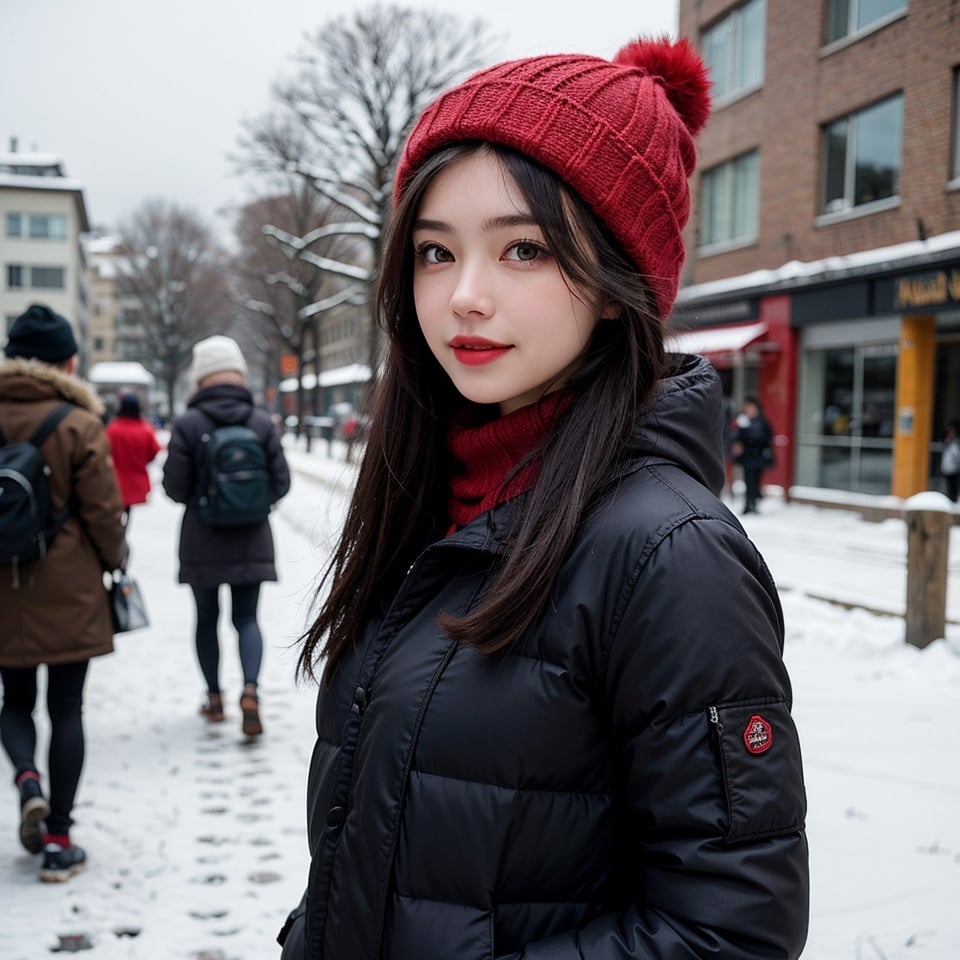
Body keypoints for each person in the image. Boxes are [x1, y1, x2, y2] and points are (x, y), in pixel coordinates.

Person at [278, 36, 809, 960]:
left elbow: (732, 930)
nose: (464, 298)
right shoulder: (430, 499)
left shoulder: (670, 554)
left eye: (523, 248)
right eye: (435, 253)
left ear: (616, 284)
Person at [0, 304, 127, 882]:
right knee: (67, 707)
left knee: (15, 700)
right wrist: (115, 563)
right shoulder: (78, 423)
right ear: (68, 361)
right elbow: (103, 511)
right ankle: (58, 839)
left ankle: (26, 777)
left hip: (3, 585)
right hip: (70, 583)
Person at [161, 335, 291, 737]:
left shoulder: (188, 424)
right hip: (253, 538)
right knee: (247, 618)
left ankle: (215, 699)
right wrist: (255, 505)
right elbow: (281, 483)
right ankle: (251, 690)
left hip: (202, 538)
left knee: (206, 619)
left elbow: (175, 487)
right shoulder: (260, 421)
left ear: (200, 378)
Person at [105, 391, 161, 530]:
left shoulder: (112, 429)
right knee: (127, 513)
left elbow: (104, 451)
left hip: (115, 479)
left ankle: (118, 540)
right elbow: (153, 451)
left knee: (114, 514)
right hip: (136, 479)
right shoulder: (145, 429)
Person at [730, 395, 775, 514]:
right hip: (748, 456)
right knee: (748, 480)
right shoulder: (742, 420)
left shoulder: (762, 421)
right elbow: (735, 435)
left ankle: (753, 502)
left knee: (756, 481)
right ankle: (748, 504)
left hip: (758, 455)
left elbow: (768, 436)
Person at [940, 420, 960, 503]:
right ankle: (949, 501)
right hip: (947, 469)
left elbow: (957, 456)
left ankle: (953, 502)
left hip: (953, 470)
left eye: (952, 433)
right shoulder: (946, 443)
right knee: (948, 487)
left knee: (952, 488)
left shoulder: (955, 444)